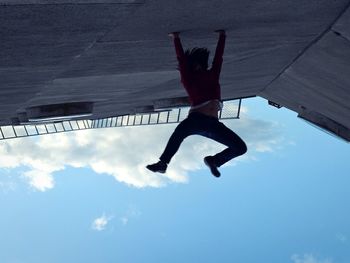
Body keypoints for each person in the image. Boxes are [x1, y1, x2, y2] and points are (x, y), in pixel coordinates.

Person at [146, 30, 247, 177]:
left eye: (199, 64)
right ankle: (163, 163)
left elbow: (219, 58)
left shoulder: (212, 74)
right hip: (197, 120)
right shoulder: (188, 78)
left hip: (213, 124)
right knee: (179, 133)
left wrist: (222, 37)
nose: (198, 66)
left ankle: (214, 161)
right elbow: (181, 59)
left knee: (240, 148)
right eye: (194, 65)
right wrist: (176, 39)